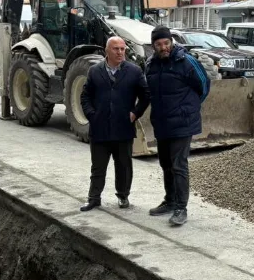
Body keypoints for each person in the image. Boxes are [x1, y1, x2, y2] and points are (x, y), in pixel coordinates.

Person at [144, 26, 208, 227]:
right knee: (165, 163)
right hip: (162, 122)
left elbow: (204, 86)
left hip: (182, 123)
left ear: (171, 42)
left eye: (166, 43)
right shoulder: (151, 64)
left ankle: (181, 208)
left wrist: (187, 108)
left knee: (179, 164)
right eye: (159, 44)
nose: (163, 47)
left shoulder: (186, 61)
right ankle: (170, 200)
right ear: (154, 46)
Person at [78, 37, 149, 212]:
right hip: (100, 128)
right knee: (98, 166)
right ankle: (94, 198)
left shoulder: (134, 71)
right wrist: (92, 115)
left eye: (122, 49)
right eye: (116, 49)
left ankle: (123, 196)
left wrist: (135, 113)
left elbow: (146, 95)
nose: (120, 52)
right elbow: (85, 96)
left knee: (124, 165)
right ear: (107, 51)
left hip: (123, 127)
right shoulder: (95, 71)